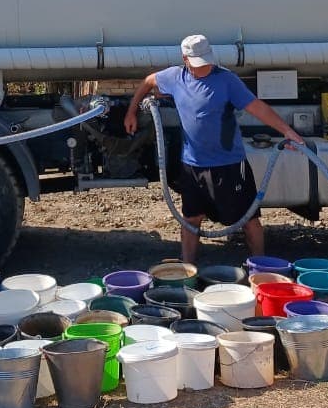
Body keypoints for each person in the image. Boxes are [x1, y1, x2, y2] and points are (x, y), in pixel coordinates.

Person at [125, 34, 305, 265]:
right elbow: (149, 81)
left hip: (229, 166)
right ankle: (188, 271)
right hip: (193, 166)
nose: (205, 67)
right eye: (198, 63)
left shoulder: (226, 80)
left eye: (206, 61)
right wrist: (131, 112)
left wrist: (287, 130)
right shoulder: (174, 77)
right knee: (191, 220)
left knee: (249, 220)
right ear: (185, 59)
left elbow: (257, 107)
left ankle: (259, 268)